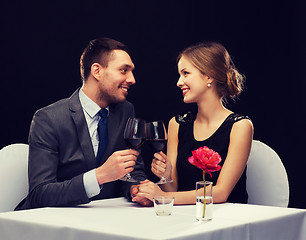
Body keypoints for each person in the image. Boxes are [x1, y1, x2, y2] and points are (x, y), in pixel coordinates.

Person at [16, 37, 150, 210]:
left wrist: (136, 189)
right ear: (97, 71)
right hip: (54, 224)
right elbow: (40, 193)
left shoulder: (126, 111)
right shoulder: (48, 119)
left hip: (107, 219)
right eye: (124, 70)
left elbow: (133, 170)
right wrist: (99, 176)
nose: (132, 79)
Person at [132, 42, 253, 205]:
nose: (179, 82)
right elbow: (172, 189)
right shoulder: (177, 124)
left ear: (210, 76)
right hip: (187, 217)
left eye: (185, 73)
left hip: (228, 219)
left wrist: (162, 196)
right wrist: (166, 177)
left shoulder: (240, 126)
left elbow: (221, 193)